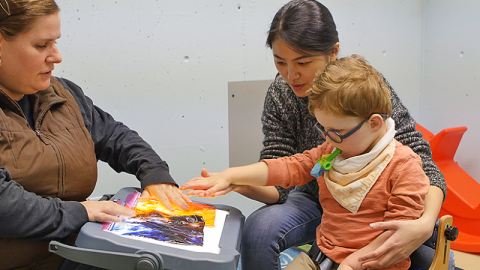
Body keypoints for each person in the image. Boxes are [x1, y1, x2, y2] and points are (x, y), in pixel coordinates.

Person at [199, 1, 452, 269]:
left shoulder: (363, 93)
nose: (291, 74)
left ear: (333, 52)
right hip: (315, 196)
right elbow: (286, 170)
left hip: (377, 208)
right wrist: (234, 180)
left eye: (303, 62)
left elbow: (423, 168)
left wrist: (424, 225)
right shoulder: (325, 143)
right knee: (260, 229)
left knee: (429, 258)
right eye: (280, 62)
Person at [181, 54, 431, 270]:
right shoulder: (333, 150)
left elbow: (397, 235)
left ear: (374, 123)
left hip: (375, 262)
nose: (328, 138)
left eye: (337, 130)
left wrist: (354, 263)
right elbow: (288, 167)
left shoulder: (403, 166)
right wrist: (232, 176)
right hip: (326, 255)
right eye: (324, 129)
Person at [0, 1, 191, 269]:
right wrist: (82, 211)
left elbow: (115, 136)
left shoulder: (62, 94)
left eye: (55, 42)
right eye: (42, 46)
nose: (56, 56)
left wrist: (156, 175)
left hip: (74, 249)